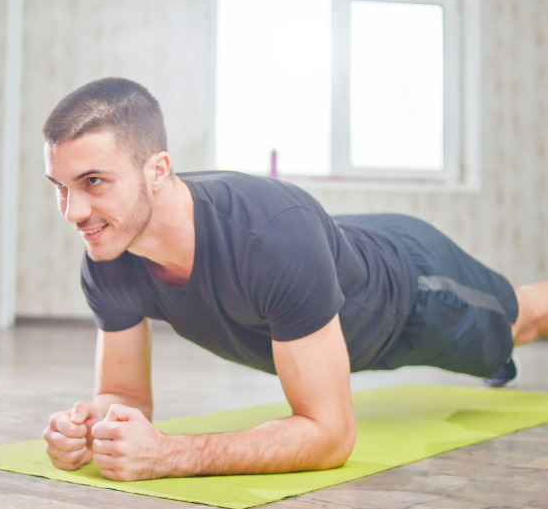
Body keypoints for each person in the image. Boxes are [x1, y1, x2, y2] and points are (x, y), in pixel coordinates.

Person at [41, 77, 548, 482]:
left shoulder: (270, 239)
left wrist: (169, 455)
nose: (73, 211)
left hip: (415, 290)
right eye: (60, 188)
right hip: (335, 266)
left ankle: (497, 350)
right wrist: (91, 429)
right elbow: (123, 395)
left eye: (93, 182)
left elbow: (330, 436)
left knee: (520, 321)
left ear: (158, 170)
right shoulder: (107, 256)